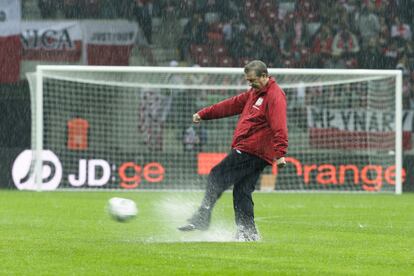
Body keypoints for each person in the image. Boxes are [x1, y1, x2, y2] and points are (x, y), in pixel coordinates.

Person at [178, 60, 288, 241]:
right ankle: (248, 233)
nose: (250, 84)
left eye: (252, 80)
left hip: (252, 149)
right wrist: (204, 114)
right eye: (247, 80)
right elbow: (231, 105)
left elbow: (279, 125)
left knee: (216, 174)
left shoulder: (275, 96)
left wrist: (281, 153)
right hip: (255, 151)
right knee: (242, 190)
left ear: (264, 76)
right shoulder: (255, 93)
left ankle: (202, 216)